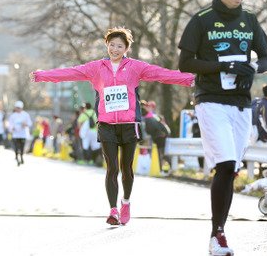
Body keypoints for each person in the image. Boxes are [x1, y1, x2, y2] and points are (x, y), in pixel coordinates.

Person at [30, 27, 195, 225]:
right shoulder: (96, 68)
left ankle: (125, 202)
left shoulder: (135, 67)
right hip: (106, 124)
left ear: (126, 48)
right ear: (106, 45)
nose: (115, 49)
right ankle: (113, 210)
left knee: (126, 168)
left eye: (119, 46)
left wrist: (190, 79)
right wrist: (42, 76)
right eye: (111, 45)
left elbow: (161, 74)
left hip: (128, 125)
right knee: (112, 168)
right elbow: (70, 73)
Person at [177, 0, 267, 255]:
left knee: (231, 169)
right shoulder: (201, 20)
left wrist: (252, 67)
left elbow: (266, 58)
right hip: (210, 100)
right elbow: (186, 63)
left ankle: (219, 229)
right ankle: (217, 234)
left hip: (241, 103)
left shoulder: (250, 20)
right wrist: (223, 66)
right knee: (227, 164)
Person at [141, 101, 171, 175]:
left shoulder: (150, 116)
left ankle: (160, 170)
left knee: (159, 153)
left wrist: (148, 132)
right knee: (161, 153)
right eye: (146, 106)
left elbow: (152, 128)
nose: (147, 107)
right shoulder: (154, 115)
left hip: (159, 136)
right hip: (160, 135)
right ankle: (164, 168)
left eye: (149, 106)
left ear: (152, 108)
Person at [8, 100, 32, 166]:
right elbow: (10, 124)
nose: (18, 109)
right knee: (16, 147)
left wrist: (25, 124)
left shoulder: (25, 114)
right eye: (17, 107)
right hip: (15, 134)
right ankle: (17, 157)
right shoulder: (13, 115)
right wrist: (11, 128)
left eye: (19, 108)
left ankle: (21, 157)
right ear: (15, 108)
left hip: (23, 134)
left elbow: (30, 123)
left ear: (22, 108)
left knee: (21, 147)